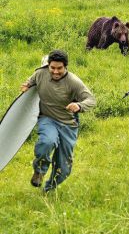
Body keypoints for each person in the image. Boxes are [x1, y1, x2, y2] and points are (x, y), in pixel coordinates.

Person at [21, 50, 96, 192]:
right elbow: (30, 82)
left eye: (59, 68)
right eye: (52, 68)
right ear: (48, 65)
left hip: (68, 125)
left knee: (64, 168)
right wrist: (26, 87)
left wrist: (79, 105)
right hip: (47, 119)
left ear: (65, 66)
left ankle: (48, 190)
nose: (55, 71)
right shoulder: (40, 74)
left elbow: (91, 100)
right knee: (46, 142)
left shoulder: (74, 82)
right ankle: (39, 171)